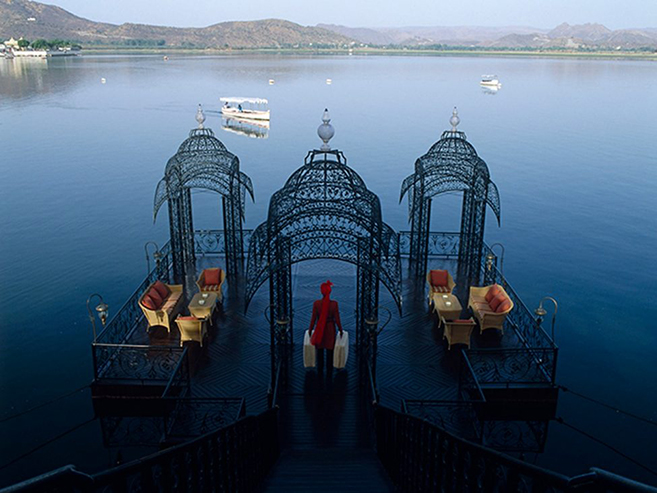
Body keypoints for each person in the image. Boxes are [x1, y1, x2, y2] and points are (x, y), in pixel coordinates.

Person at [308, 280, 343, 375]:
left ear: (321, 292)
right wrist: (340, 330)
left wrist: (310, 330)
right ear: (330, 292)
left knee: (319, 351)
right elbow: (337, 319)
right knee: (330, 351)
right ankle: (329, 370)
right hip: (330, 328)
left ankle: (320, 370)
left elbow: (313, 318)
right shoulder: (334, 304)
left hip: (320, 328)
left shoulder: (316, 304)